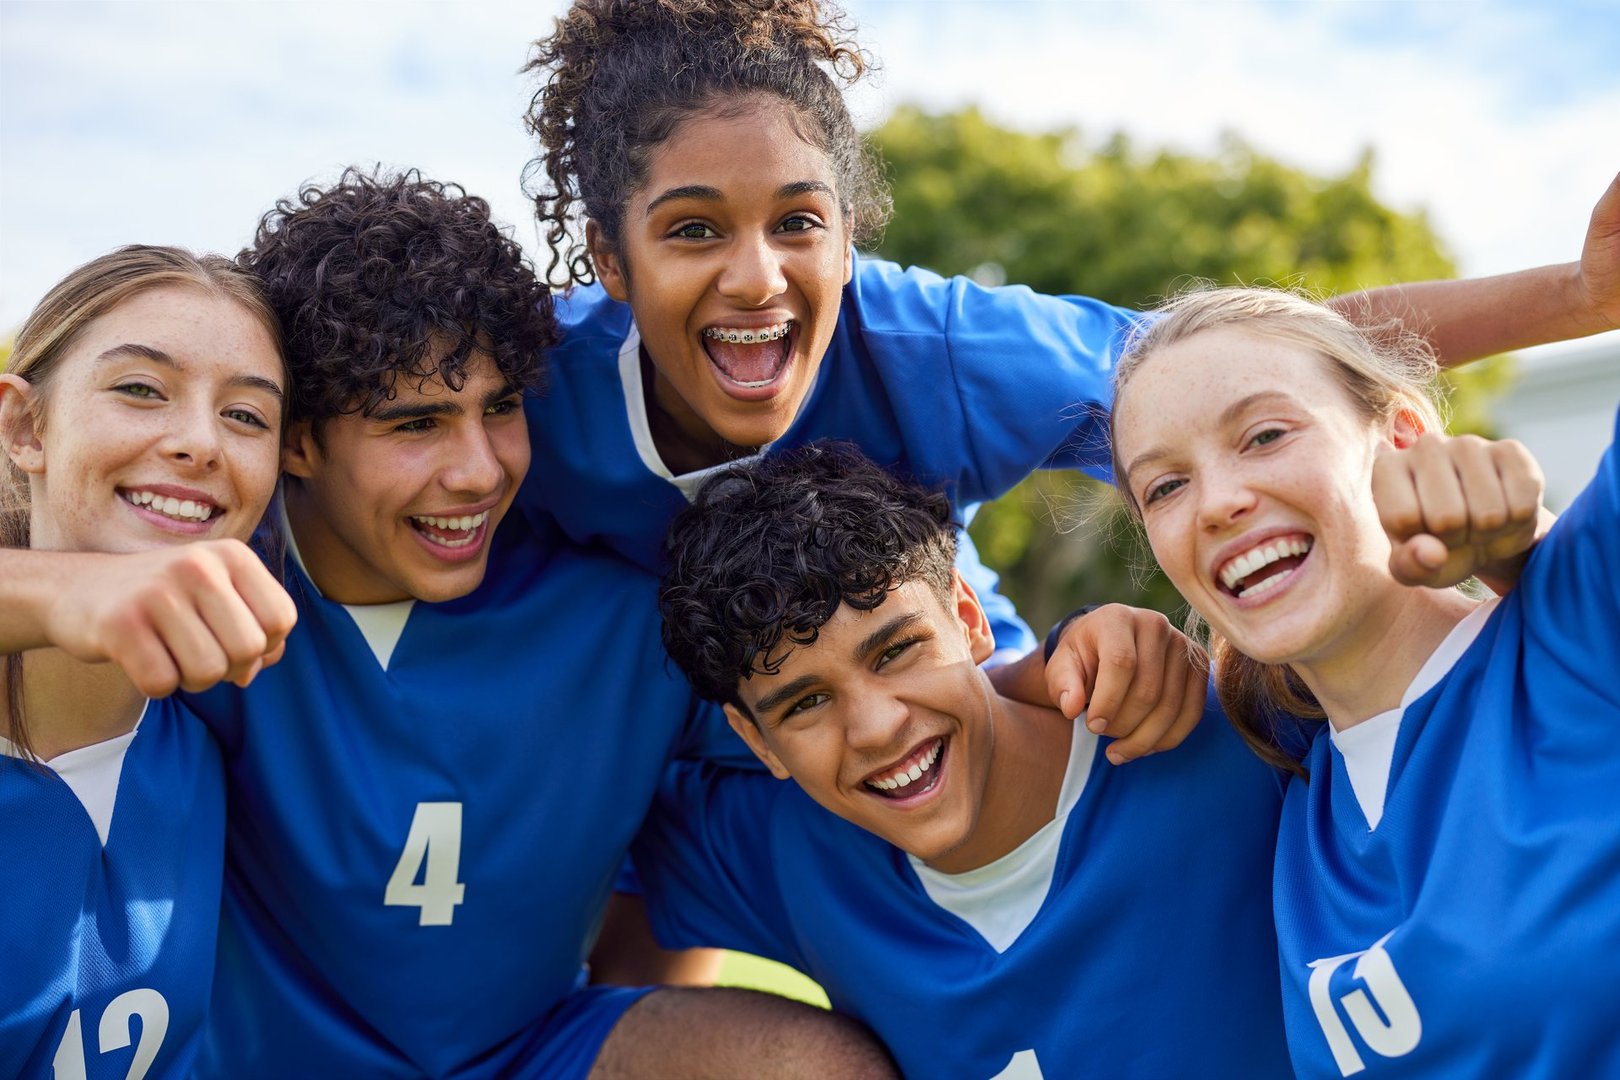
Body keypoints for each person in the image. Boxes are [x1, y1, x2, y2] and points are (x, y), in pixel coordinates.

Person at [519, 0, 1620, 764]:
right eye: (695, 229)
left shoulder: (932, 349)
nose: (757, 277)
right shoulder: (516, 392)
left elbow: (1263, 355)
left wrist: (1578, 294)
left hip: (965, 706)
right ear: (612, 265)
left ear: (850, 235)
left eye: (800, 221)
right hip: (695, 745)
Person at [0, 171, 897, 1079]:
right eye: (416, 422)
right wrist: (57, 589)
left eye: (500, 408)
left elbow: (786, 767)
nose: (477, 471)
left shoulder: (625, 617)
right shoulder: (208, 607)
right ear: (300, 443)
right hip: (262, 1060)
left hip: (533, 1050)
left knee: (811, 1064)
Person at [635, 441, 1294, 1079]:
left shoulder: (1216, 731)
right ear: (757, 741)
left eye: (895, 652)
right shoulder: (783, 853)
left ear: (969, 615)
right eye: (805, 703)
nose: (876, 727)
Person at [1106, 266, 1620, 1073]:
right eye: (1166, 486)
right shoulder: (1276, 785)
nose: (1216, 502)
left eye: (1267, 434)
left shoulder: (1583, 624)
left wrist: (1585, 289)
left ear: (1405, 437)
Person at [0, 246, 291, 1078]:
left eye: (246, 416)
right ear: (24, 427)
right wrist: (63, 593)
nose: (200, 442)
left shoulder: (217, 724)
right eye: (140, 390)